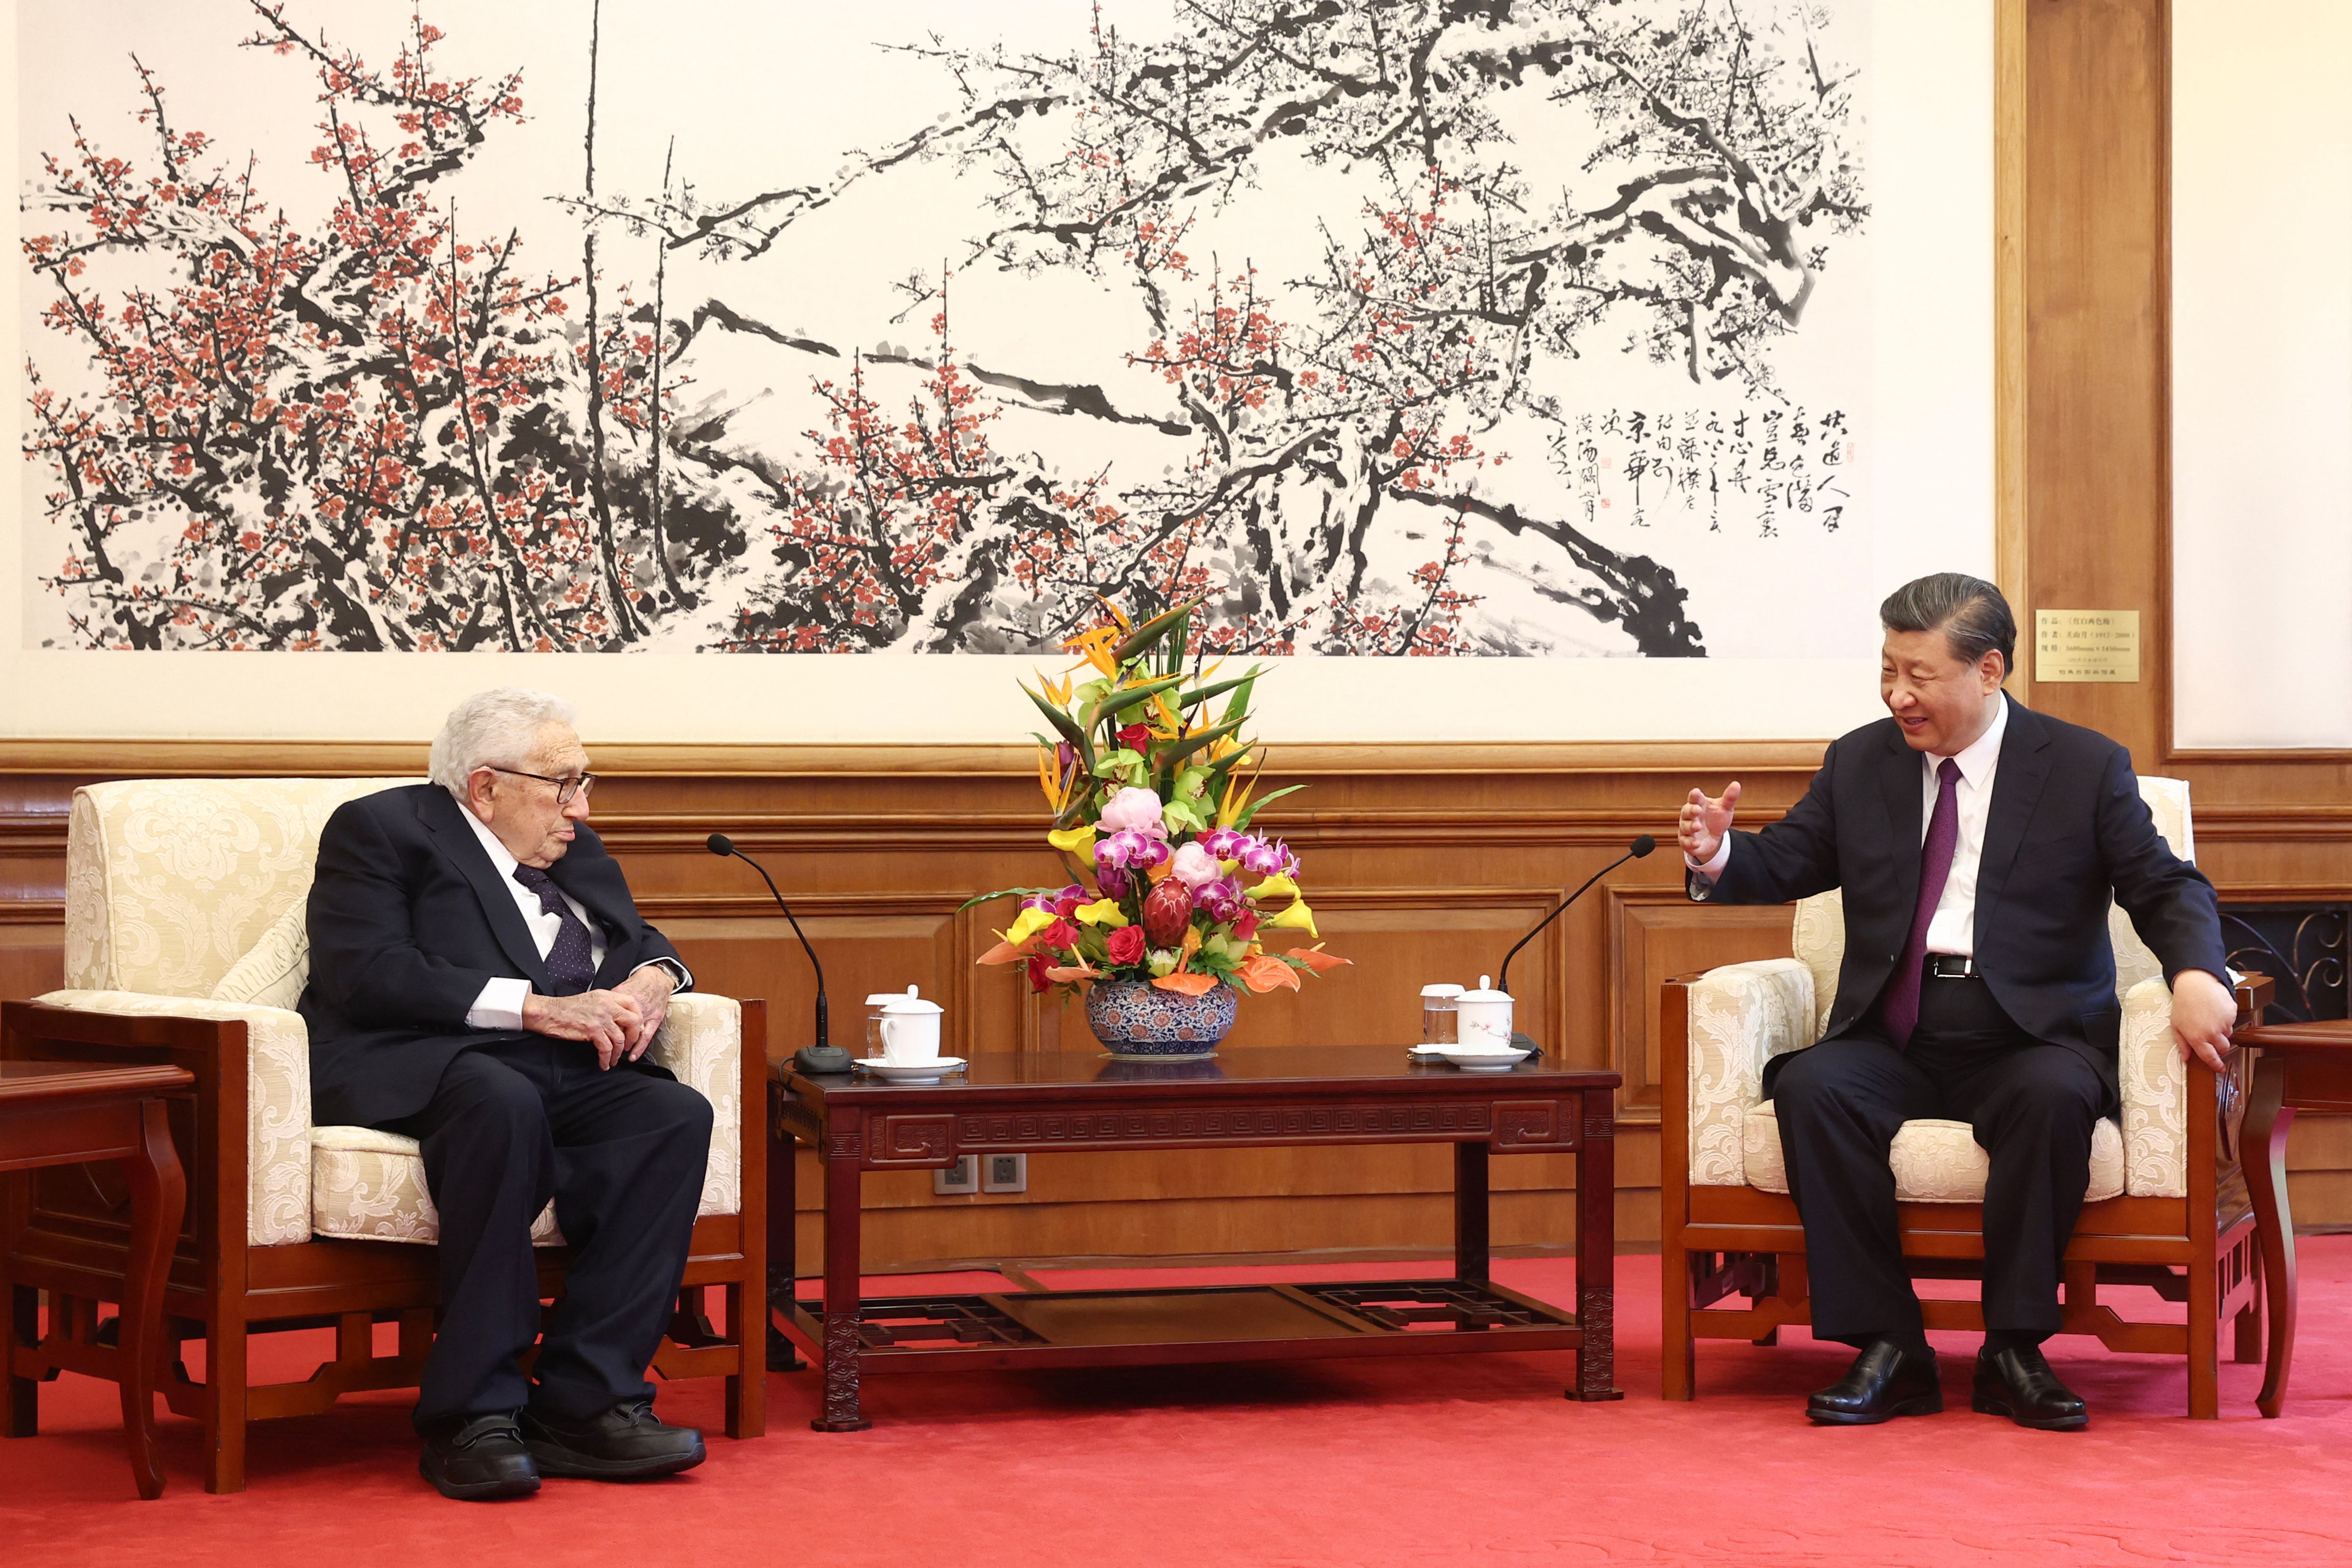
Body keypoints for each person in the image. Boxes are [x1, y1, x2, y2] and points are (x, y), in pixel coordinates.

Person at [1677, 574, 2234, 1431]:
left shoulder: (2082, 767)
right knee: (1815, 1088)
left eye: (1920, 675)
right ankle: (1891, 1347)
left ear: (1989, 670)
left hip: (2027, 1034)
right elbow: (1788, 859)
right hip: (1895, 1029)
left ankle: (2014, 1348)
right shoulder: (1861, 761)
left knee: (2053, 1098)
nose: (1898, 694)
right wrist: (1718, 854)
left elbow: (2165, 885)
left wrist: (2197, 973)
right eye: (1888, 670)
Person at [301, 688, 713, 1499]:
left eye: (584, 782)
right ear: (485, 787)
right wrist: (534, 1008)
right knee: (501, 1100)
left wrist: (657, 977)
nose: (581, 807)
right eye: (564, 784)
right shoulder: (383, 829)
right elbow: (366, 970)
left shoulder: (571, 848)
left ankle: (587, 1402)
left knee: (669, 1115)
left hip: (551, 1065)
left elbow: (638, 935)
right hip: (422, 1057)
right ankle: (472, 1413)